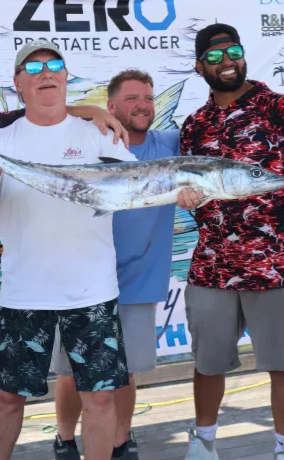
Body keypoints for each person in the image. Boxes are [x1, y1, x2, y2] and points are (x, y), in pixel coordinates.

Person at [0, 15, 128, 460]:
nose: (45, 74)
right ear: (17, 82)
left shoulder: (102, 134)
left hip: (93, 292)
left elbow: (139, 188)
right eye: (33, 69)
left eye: (54, 66)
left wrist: (189, 194)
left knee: (103, 397)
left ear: (68, 76)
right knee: (8, 397)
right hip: (24, 293)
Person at [50, 70, 202, 460]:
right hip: (82, 279)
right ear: (112, 106)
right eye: (132, 98)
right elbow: (39, 114)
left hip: (139, 280)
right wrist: (85, 108)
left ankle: (121, 440)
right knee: (72, 372)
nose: (143, 105)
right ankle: (65, 439)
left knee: (126, 372)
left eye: (148, 98)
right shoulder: (87, 141)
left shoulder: (170, 143)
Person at [178, 23, 284, 460]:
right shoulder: (194, 126)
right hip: (212, 264)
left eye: (233, 52)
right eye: (214, 56)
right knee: (207, 364)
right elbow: (191, 195)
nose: (226, 62)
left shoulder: (282, 110)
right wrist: (188, 200)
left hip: (276, 263)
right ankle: (203, 443)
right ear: (199, 65)